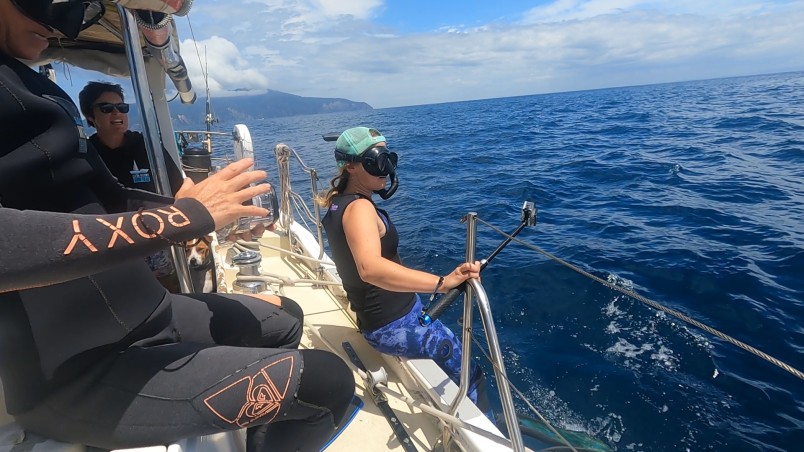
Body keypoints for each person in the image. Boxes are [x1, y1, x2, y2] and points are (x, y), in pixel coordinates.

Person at [0, 2, 354, 451]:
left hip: (150, 315)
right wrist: (183, 217)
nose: (62, 22)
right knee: (327, 383)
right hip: (79, 372)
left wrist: (207, 214)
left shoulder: (27, 80)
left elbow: (107, 200)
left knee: (284, 317)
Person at [319, 127, 491, 413]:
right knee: (472, 377)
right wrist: (443, 282)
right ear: (350, 165)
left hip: (387, 318)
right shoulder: (360, 209)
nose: (386, 167)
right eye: (376, 159)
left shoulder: (338, 202)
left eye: (388, 157)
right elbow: (370, 268)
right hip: (393, 326)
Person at [79, 80, 186, 291]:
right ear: (91, 116)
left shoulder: (149, 148)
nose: (117, 114)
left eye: (122, 107)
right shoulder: (86, 156)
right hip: (112, 243)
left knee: (168, 294)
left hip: (155, 238)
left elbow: (180, 189)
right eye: (106, 108)